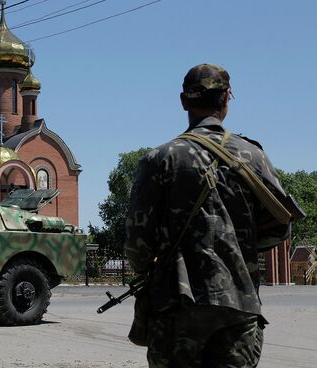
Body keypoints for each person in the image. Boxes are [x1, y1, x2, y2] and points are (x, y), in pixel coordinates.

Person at [125, 63, 293, 367]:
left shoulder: (160, 159)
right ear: (227, 98)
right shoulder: (254, 157)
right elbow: (281, 226)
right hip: (239, 305)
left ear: (183, 101)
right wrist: (241, 250)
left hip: (177, 304)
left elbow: (138, 242)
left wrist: (146, 268)